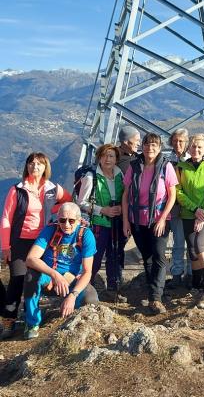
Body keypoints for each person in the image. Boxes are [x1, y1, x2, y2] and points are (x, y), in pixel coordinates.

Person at [0, 152, 71, 339]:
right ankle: (8, 321)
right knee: (17, 280)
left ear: (45, 167)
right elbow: (6, 218)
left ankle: (30, 319)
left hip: (43, 241)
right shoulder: (17, 190)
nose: (35, 166)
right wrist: (6, 247)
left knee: (34, 278)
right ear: (27, 166)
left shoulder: (52, 188)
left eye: (39, 163)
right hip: (20, 241)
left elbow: (68, 201)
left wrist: (53, 210)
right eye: (31, 163)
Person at [22, 202, 97, 339]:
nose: (66, 224)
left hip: (71, 280)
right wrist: (54, 274)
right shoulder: (50, 230)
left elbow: (87, 272)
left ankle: (69, 309)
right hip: (49, 278)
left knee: (91, 299)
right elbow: (31, 259)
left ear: (79, 220)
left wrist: (72, 295)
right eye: (62, 220)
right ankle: (32, 322)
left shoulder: (86, 236)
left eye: (71, 221)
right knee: (30, 277)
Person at [122, 133, 177, 314]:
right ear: (142, 147)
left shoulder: (166, 167)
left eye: (154, 145)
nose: (149, 148)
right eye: (146, 144)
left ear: (159, 148)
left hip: (158, 219)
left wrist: (162, 219)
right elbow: (126, 194)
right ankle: (152, 290)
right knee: (147, 257)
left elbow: (172, 195)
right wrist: (125, 221)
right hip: (137, 219)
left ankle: (156, 297)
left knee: (159, 256)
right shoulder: (134, 167)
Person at [176, 134, 204, 309]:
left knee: (200, 244)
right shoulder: (181, 168)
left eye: (200, 147)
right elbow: (178, 192)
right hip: (188, 214)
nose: (196, 150)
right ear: (188, 148)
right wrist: (195, 210)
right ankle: (196, 284)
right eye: (193, 147)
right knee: (192, 249)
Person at [76, 143, 125, 299]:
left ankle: (112, 290)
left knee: (115, 256)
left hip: (116, 223)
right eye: (104, 155)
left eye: (111, 156)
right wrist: (103, 210)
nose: (107, 159)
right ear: (99, 158)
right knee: (94, 257)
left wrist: (121, 208)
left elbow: (125, 196)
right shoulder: (91, 177)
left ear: (117, 159)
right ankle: (84, 290)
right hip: (98, 224)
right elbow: (82, 203)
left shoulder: (120, 174)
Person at [166, 128, 191, 288]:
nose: (177, 144)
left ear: (186, 143)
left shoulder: (194, 160)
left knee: (192, 243)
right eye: (175, 141)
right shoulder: (167, 160)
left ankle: (191, 273)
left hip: (190, 208)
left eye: (181, 141)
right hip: (175, 208)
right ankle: (176, 274)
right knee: (178, 243)